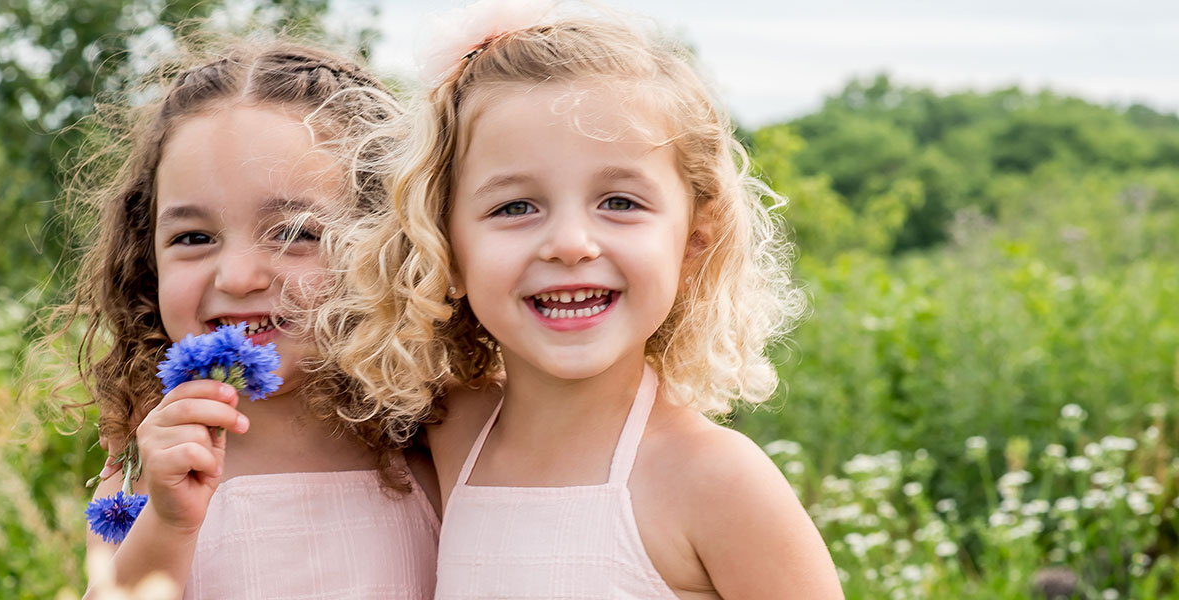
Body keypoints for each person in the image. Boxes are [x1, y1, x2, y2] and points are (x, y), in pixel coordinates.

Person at [316, 2, 843, 597]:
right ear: (445, 251)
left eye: (619, 202)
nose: (570, 244)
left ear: (695, 240)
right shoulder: (452, 435)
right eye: (515, 207)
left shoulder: (715, 480)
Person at [53, 41, 440, 599]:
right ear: (146, 256)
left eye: (293, 233)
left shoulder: (434, 433)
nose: (236, 277)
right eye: (194, 237)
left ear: (385, 240)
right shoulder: (149, 456)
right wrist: (168, 522)